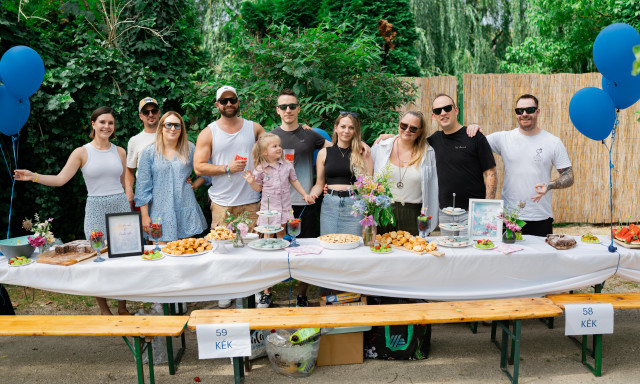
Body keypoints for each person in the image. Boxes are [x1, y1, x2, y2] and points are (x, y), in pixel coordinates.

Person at [14, 107, 131, 316]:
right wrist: (34, 176)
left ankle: (123, 306)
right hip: (95, 208)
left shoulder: (120, 151)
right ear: (93, 124)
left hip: (119, 207)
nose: (107, 126)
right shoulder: (82, 152)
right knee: (97, 259)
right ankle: (104, 309)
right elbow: (60, 179)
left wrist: (128, 205)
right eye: (102, 122)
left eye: (111, 123)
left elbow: (123, 183)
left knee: (123, 259)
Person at [193, 85, 265, 309]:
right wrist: (227, 168)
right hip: (222, 203)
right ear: (217, 105)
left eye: (232, 100)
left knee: (253, 250)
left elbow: (272, 148)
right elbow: (198, 167)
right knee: (222, 250)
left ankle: (256, 292)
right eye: (223, 101)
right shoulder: (209, 132)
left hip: (251, 200)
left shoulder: (254, 128)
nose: (228, 104)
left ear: (238, 101)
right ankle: (226, 290)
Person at [467, 94, 574, 236]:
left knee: (540, 258)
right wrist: (473, 127)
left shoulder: (553, 142)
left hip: (540, 216)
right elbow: (475, 144)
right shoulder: (503, 138)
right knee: (508, 257)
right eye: (519, 111)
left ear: (538, 111)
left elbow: (569, 176)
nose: (524, 114)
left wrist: (550, 185)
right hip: (510, 217)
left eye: (529, 109)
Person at [270, 89, 330, 307]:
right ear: (278, 110)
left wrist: (359, 145)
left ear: (299, 108)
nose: (288, 110)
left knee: (306, 251)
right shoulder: (271, 137)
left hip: (306, 202)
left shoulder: (312, 135)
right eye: (284, 106)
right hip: (278, 204)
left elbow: (338, 150)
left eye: (292, 106)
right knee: (275, 250)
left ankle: (302, 294)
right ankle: (268, 292)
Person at [242, 133, 315, 308]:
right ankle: (267, 291)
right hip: (269, 213)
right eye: (274, 146)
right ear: (265, 152)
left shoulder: (287, 165)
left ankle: (284, 275)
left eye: (279, 145)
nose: (279, 148)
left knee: (284, 245)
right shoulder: (261, 169)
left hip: (285, 211)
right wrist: (251, 181)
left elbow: (295, 181)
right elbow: (258, 188)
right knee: (268, 246)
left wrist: (305, 194)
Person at [134, 111, 208, 242]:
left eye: (177, 125)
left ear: (181, 128)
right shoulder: (149, 152)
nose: (173, 129)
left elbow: (206, 169)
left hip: (185, 208)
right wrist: (145, 215)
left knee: (186, 253)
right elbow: (142, 187)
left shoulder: (190, 149)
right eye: (168, 125)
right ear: (161, 127)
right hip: (160, 212)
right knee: (161, 255)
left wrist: (196, 184)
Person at [429, 94, 497, 235]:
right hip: (446, 213)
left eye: (447, 108)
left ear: (456, 110)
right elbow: (410, 142)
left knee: (473, 254)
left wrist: (486, 207)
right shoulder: (433, 141)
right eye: (438, 111)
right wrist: (389, 137)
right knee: (449, 254)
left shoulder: (475, 137)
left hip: (472, 212)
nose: (443, 113)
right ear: (433, 116)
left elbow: (491, 173)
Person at [371, 111, 439, 235]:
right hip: (383, 212)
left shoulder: (428, 153)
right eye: (404, 126)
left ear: (420, 131)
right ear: (399, 125)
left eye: (413, 128)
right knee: (382, 251)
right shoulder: (381, 147)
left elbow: (434, 186)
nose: (407, 130)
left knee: (413, 252)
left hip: (413, 213)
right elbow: (367, 174)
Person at [311, 112, 373, 236]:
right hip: (330, 205)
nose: (346, 131)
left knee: (353, 246)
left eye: (351, 127)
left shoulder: (363, 153)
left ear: (355, 131)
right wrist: (311, 195)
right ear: (336, 128)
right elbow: (319, 184)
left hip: (354, 205)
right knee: (329, 244)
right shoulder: (324, 153)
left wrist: (369, 210)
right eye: (343, 126)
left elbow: (368, 185)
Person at [125, 97, 161, 209]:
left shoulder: (170, 135)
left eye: (153, 111)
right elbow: (129, 170)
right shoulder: (134, 141)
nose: (150, 114)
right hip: (145, 195)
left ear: (159, 113)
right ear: (141, 116)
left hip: (167, 192)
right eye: (146, 112)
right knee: (146, 225)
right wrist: (129, 191)